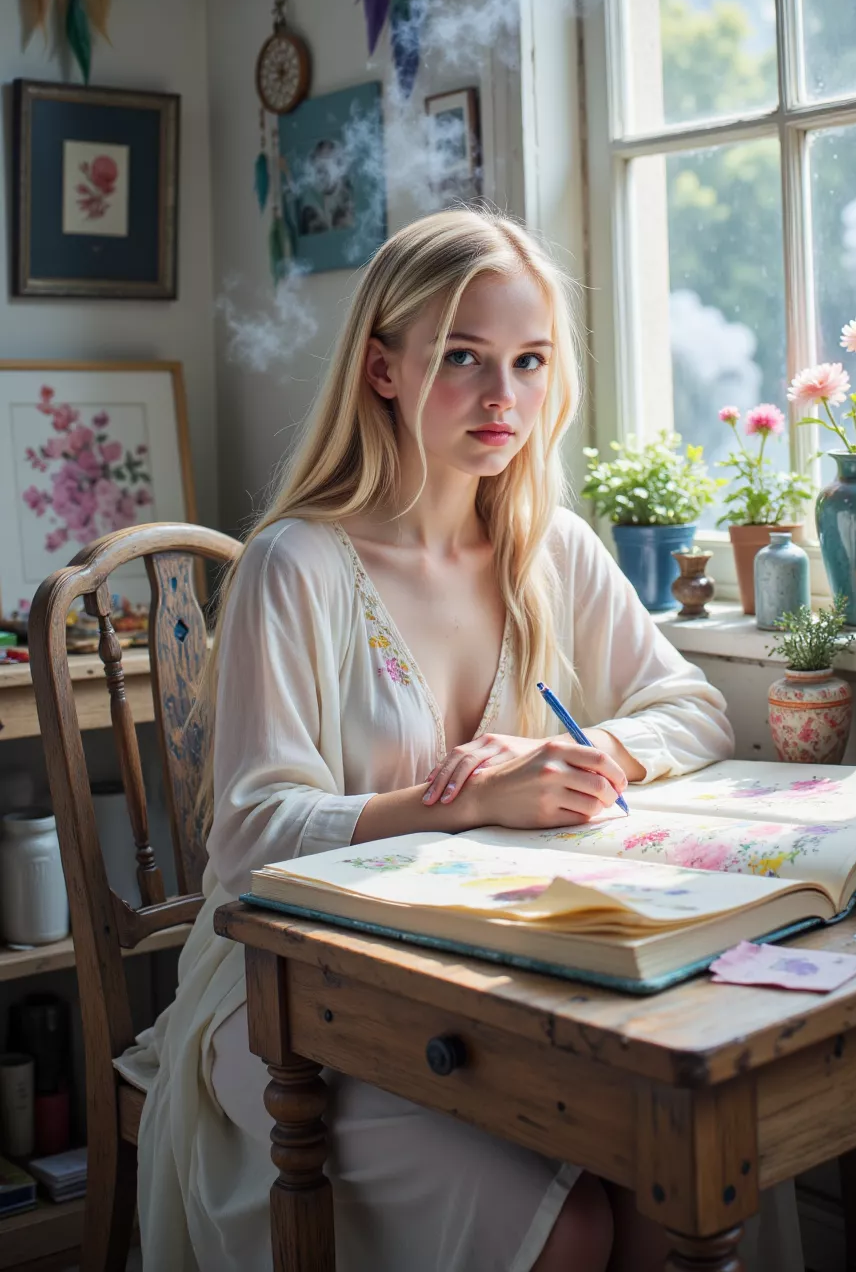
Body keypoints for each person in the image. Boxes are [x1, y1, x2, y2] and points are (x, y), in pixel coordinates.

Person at [124, 208, 803, 1271]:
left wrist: (592, 760)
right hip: (289, 1000)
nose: (504, 399)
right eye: (463, 359)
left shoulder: (550, 547)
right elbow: (250, 842)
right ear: (384, 368)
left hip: (488, 976)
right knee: (569, 1226)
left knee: (662, 1186)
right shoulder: (294, 566)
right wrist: (471, 800)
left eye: (528, 361)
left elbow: (694, 708)